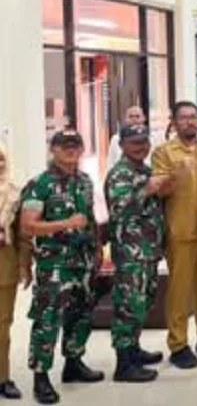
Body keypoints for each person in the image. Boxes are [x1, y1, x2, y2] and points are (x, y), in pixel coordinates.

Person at [19, 130, 105, 404]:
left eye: (75, 146)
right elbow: (27, 226)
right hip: (55, 264)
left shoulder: (85, 181)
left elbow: (89, 219)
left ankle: (74, 363)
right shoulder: (39, 184)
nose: (70, 150)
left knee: (81, 314)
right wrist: (65, 224)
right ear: (53, 149)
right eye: (64, 146)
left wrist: (97, 250)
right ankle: (41, 376)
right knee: (48, 320)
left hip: (83, 261)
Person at [151, 101, 197, 369]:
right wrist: (175, 176)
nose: (189, 122)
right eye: (183, 118)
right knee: (180, 290)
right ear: (174, 122)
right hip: (181, 229)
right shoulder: (164, 152)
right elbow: (158, 191)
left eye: (193, 117)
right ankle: (178, 343)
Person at [104, 126, 169, 383]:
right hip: (131, 252)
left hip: (148, 250)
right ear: (122, 145)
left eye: (144, 142)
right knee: (128, 306)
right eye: (134, 142)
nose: (140, 147)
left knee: (143, 301)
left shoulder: (144, 170)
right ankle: (123, 364)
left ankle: (133, 349)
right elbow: (119, 209)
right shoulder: (120, 174)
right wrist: (147, 190)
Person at [0, 142, 27, 399]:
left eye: (1, 158)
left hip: (4, 267)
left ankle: (3, 377)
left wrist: (24, 265)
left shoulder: (14, 194)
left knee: (2, 326)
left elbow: (22, 236)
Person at [105, 106, 158, 172]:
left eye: (137, 116)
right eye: (130, 116)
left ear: (144, 118)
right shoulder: (116, 139)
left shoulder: (154, 138)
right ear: (125, 119)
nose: (134, 119)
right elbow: (111, 163)